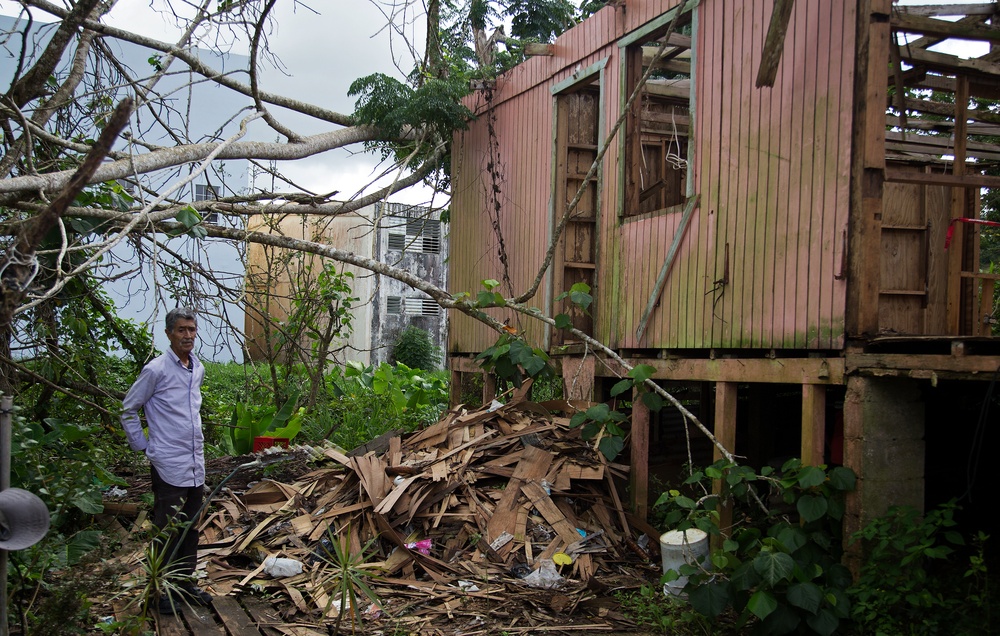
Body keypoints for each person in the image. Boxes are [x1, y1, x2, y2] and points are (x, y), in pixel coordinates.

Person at [121, 307, 213, 614]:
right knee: (166, 529)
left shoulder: (196, 368)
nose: (187, 335)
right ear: (169, 333)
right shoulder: (156, 370)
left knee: (190, 527)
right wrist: (145, 446)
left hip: (194, 462)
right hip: (168, 462)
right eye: (181, 330)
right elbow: (129, 409)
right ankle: (159, 589)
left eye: (191, 329)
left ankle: (184, 584)